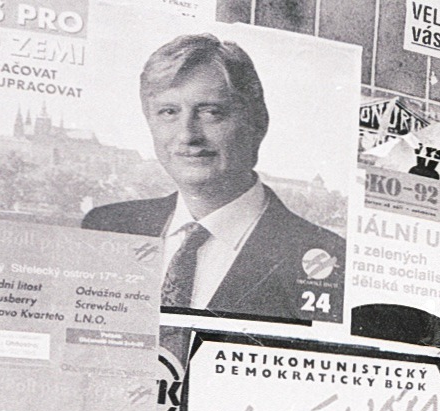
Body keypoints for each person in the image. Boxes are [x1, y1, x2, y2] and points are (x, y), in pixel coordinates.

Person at [81, 33, 345, 319]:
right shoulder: (105, 227)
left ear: (257, 123)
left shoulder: (329, 256)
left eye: (210, 113)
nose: (187, 135)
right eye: (168, 112)